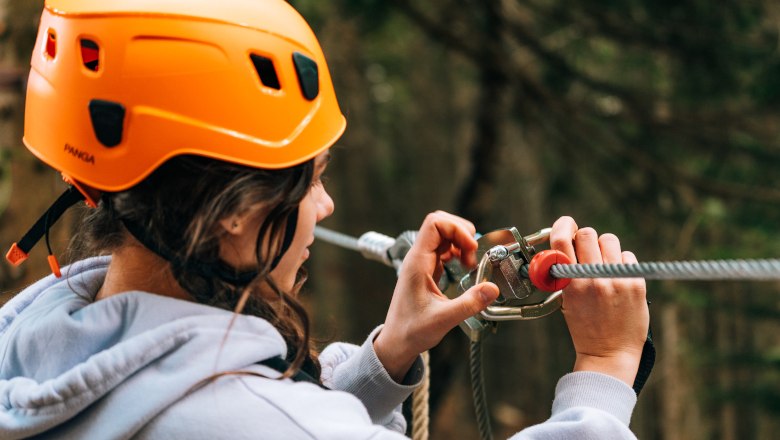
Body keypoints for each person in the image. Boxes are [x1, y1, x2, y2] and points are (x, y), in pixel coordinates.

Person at [0, 0, 649, 438]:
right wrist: (604, 368)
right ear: (237, 211)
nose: (327, 207)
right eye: (313, 178)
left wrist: (387, 358)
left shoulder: (31, 351)